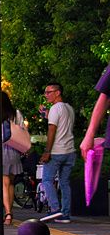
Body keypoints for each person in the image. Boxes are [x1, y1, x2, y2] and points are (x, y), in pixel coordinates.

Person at [40, 83, 75, 223]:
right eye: (45, 92)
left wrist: (47, 151)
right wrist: (46, 115)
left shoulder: (55, 108)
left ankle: (55, 210)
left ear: (58, 92)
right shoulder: (69, 108)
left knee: (47, 180)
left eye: (49, 92)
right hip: (70, 151)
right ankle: (65, 214)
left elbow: (52, 130)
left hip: (56, 151)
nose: (46, 95)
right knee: (65, 183)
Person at [1, 91, 25, 225]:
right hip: (15, 150)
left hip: (2, 150)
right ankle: (9, 212)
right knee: (10, 183)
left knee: (4, 183)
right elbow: (22, 129)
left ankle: (8, 213)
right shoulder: (16, 113)